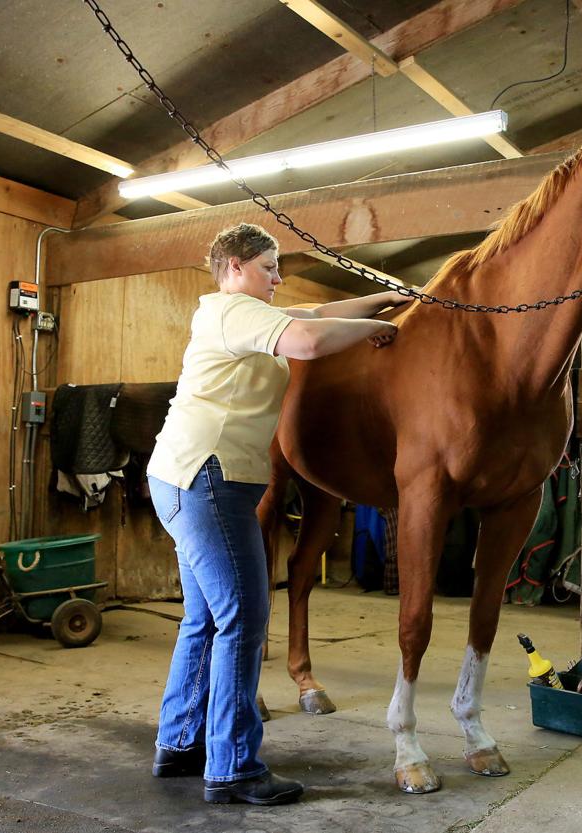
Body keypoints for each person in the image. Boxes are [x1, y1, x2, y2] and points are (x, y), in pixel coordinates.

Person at [145, 222, 405, 805]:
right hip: (208, 480)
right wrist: (378, 328)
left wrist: (382, 298)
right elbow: (310, 340)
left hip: (191, 477)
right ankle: (234, 767)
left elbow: (318, 312)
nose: (278, 277)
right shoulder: (232, 311)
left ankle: (181, 742)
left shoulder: (240, 312)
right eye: (269, 267)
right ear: (235, 267)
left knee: (205, 619)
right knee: (244, 617)